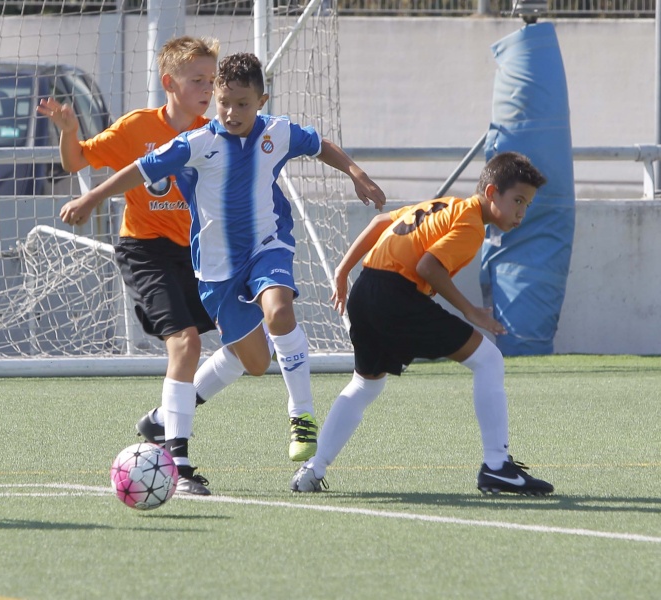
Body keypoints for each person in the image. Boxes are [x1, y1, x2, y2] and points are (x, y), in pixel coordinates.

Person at [57, 52, 386, 479]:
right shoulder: (198, 143)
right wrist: (91, 197)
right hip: (216, 269)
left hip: (269, 247)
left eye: (243, 104)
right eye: (224, 102)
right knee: (254, 361)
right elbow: (139, 169)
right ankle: (165, 416)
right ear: (215, 98)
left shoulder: (278, 133)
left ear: (261, 101)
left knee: (280, 310)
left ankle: (301, 415)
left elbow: (319, 145)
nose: (231, 113)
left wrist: (356, 173)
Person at [38, 36, 242, 496]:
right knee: (185, 343)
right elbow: (77, 161)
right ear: (169, 83)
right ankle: (179, 461)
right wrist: (69, 130)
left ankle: (160, 420)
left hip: (198, 253)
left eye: (212, 80)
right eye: (197, 81)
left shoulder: (217, 134)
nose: (207, 89)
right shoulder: (136, 128)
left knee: (250, 350)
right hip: (146, 250)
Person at [290, 151, 555, 496]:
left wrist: (342, 271)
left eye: (527, 204)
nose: (522, 211)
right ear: (491, 193)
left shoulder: (444, 205)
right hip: (395, 295)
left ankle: (313, 469)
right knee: (488, 360)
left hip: (365, 290)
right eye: (518, 200)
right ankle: (496, 466)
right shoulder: (472, 225)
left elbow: (379, 223)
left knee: (366, 385)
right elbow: (429, 267)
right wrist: (470, 311)